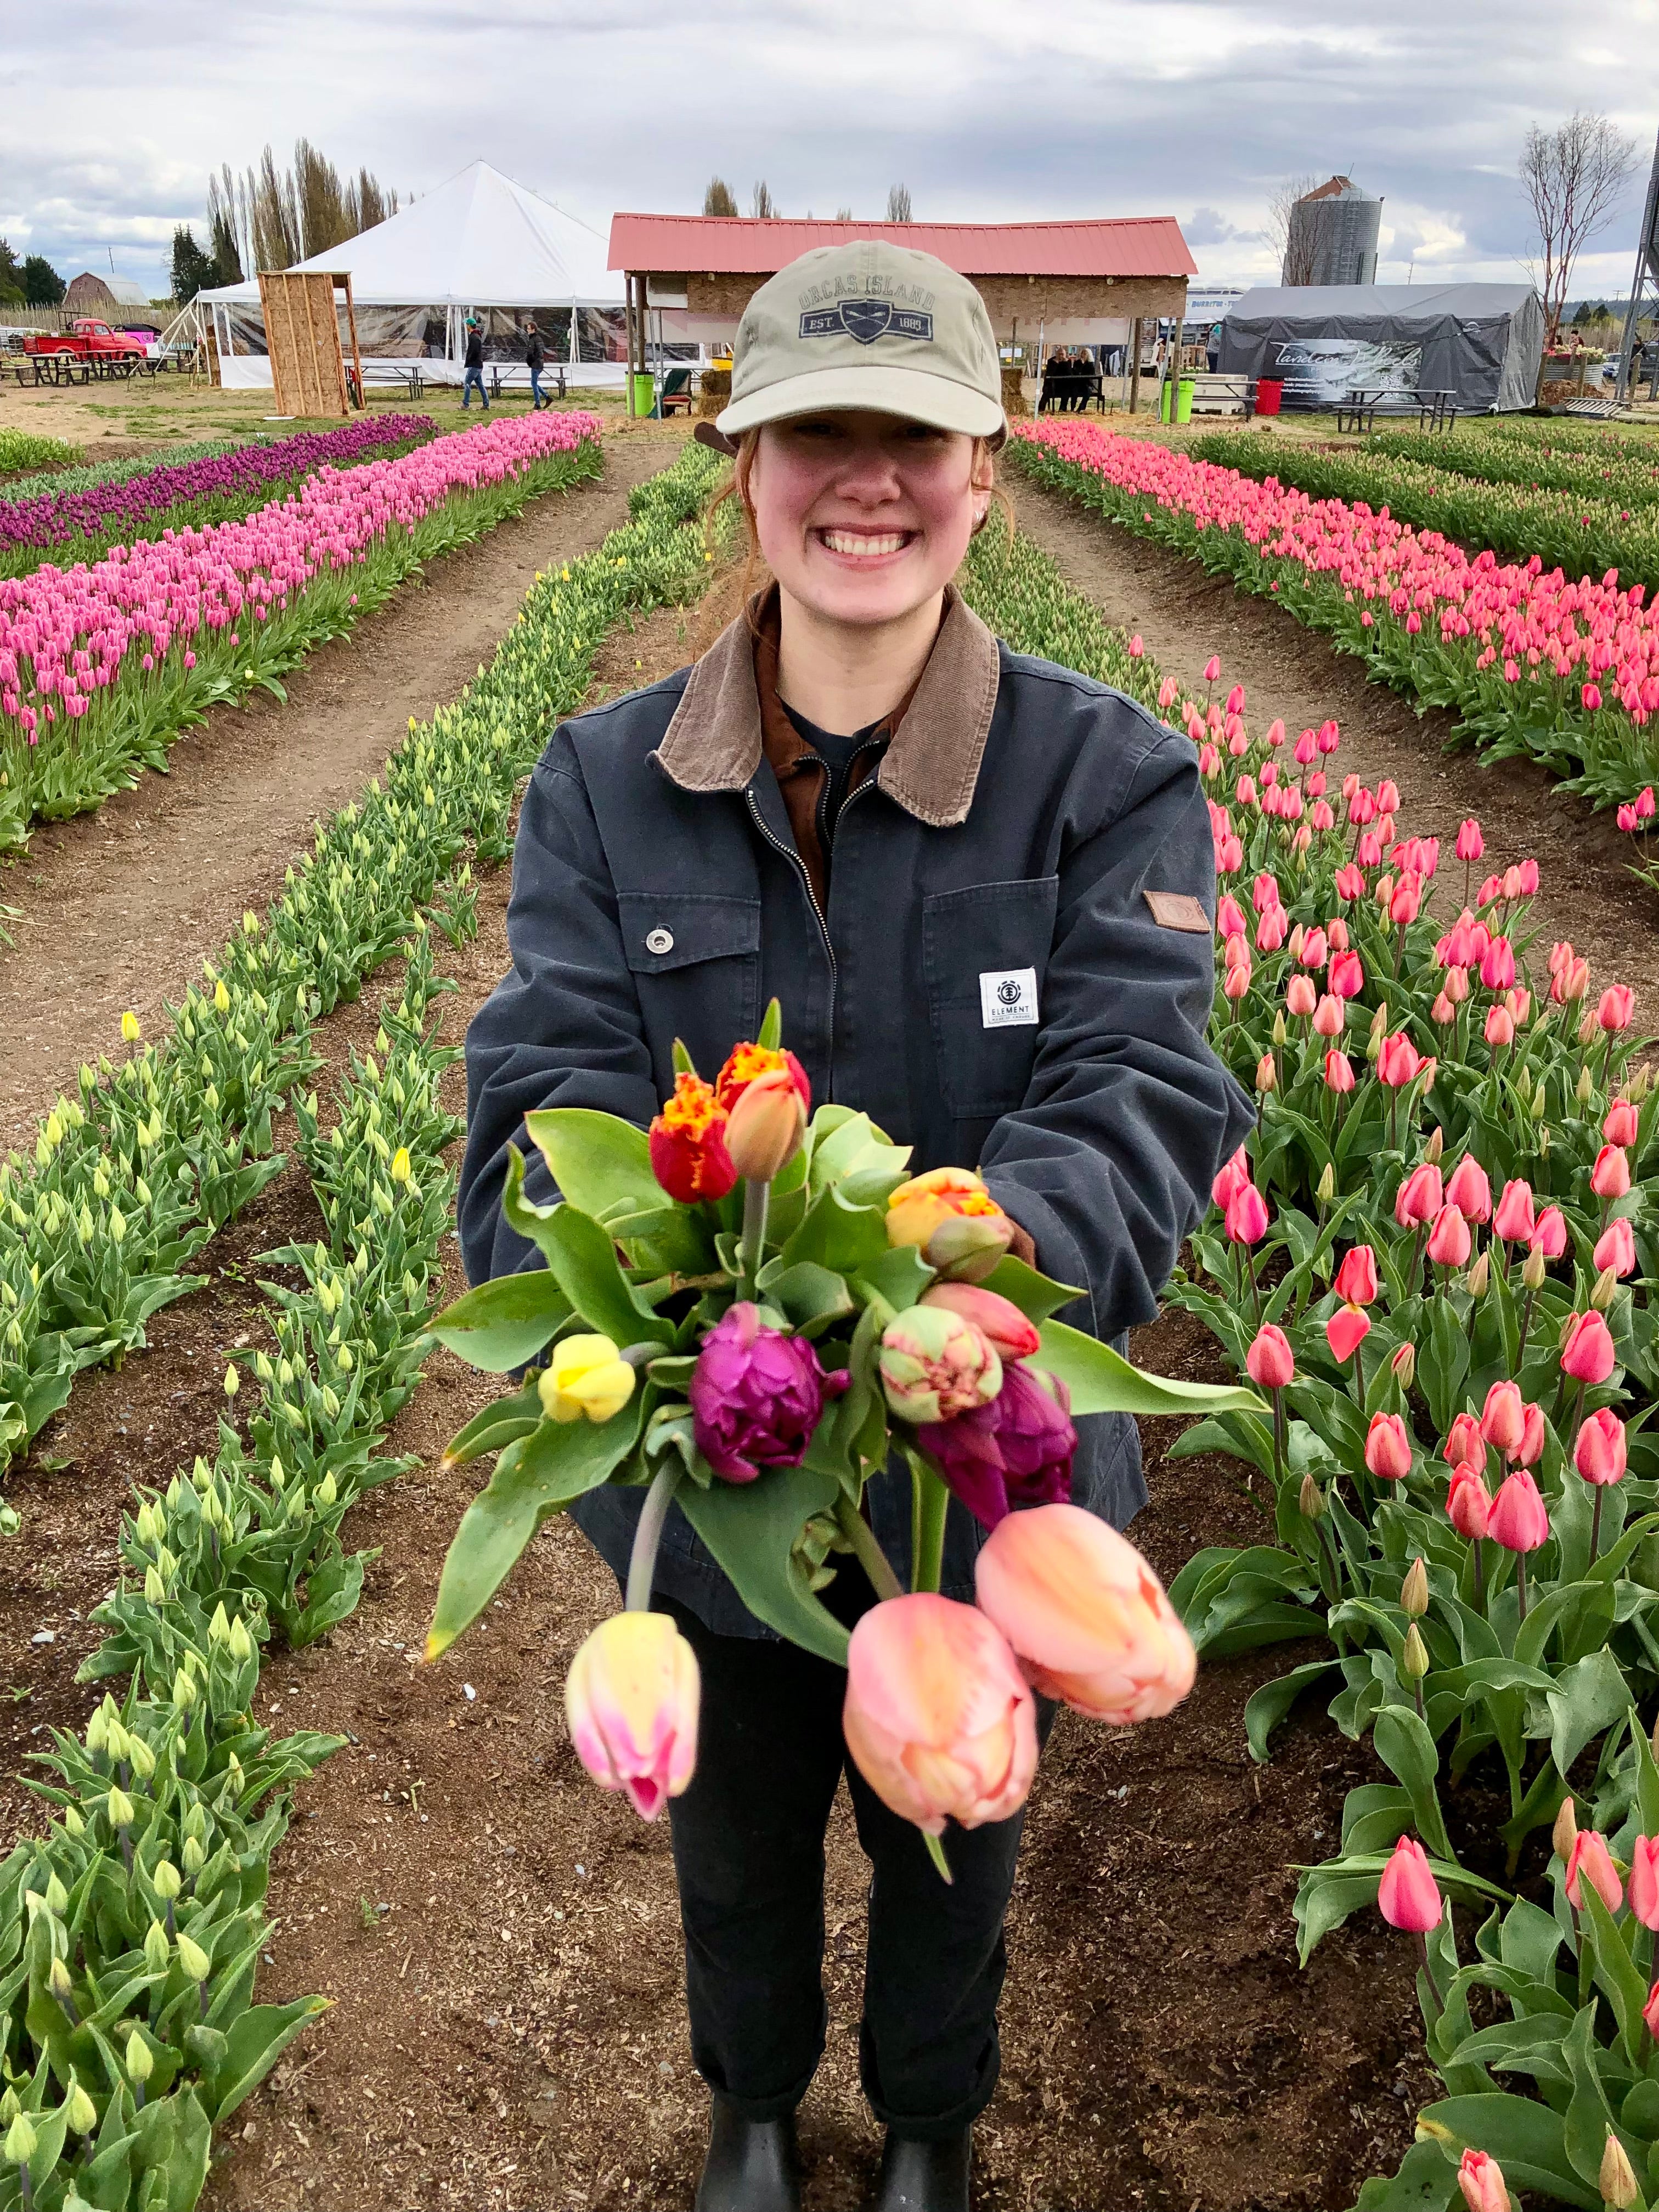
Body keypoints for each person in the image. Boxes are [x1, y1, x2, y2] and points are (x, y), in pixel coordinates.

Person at [459, 238, 1251, 2212]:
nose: (865, 478)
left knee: (953, 1831)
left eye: (912, 434)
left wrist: (954, 1276)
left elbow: (1145, 1097)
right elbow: (529, 1132)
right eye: (819, 429)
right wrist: (663, 1321)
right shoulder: (604, 786)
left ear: (987, 466)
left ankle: (923, 2126)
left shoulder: (1105, 778)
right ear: (742, 461)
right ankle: (747, 2105)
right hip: (705, 1495)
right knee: (726, 1835)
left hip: (985, 1477)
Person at [461, 317, 488, 410]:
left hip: (474, 365)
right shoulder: (476, 336)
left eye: (467, 325)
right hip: (478, 365)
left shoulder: (474, 337)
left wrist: (469, 360)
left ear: (469, 326)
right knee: (480, 385)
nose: (466, 326)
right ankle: (486, 404)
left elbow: (475, 352)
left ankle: (466, 404)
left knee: (467, 383)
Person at [523, 318, 547, 410]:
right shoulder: (539, 339)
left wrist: (530, 362)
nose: (527, 330)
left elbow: (530, 353)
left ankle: (538, 403)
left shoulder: (532, 340)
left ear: (533, 330)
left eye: (529, 329)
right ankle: (546, 397)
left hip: (536, 364)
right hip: (540, 363)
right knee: (534, 383)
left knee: (534, 384)